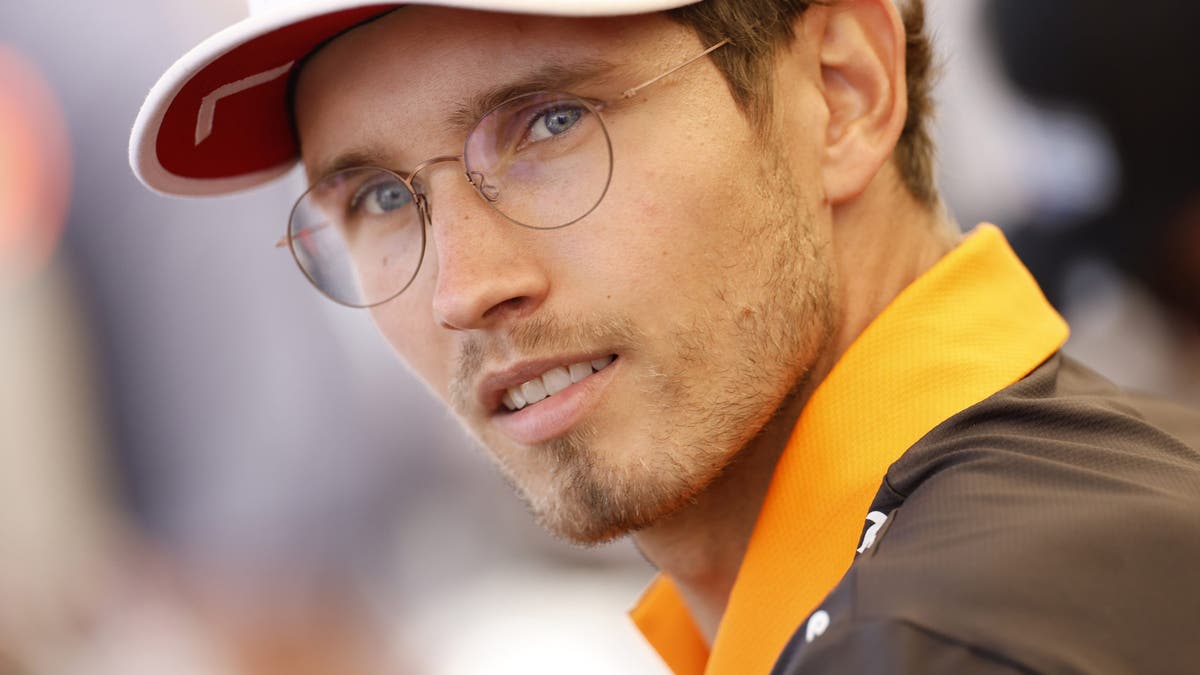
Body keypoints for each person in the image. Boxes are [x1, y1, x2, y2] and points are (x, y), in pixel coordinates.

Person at [128, 1, 1200, 672]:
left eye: (551, 123)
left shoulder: (942, 643)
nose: (462, 288)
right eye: (373, 196)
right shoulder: (1066, 509)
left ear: (841, 93)